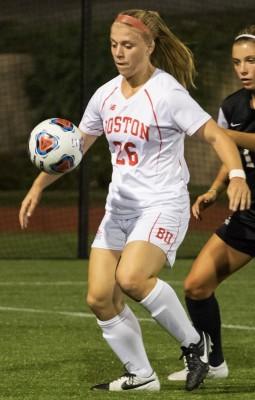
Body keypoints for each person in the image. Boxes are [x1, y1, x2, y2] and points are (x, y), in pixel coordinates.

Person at [19, 10, 251, 392]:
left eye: (128, 45)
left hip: (163, 203)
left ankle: (194, 345)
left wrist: (237, 175)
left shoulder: (168, 93)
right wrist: (39, 186)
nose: (119, 53)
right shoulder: (105, 95)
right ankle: (141, 375)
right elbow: (74, 147)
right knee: (98, 297)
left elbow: (217, 136)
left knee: (132, 277)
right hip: (120, 208)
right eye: (114, 45)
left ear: (149, 46)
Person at [168, 25, 255, 382]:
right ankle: (214, 361)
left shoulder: (221, 120)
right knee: (196, 286)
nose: (243, 69)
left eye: (251, 60)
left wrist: (209, 129)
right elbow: (228, 152)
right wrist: (216, 189)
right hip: (248, 216)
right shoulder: (231, 105)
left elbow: (237, 139)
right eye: (237, 62)